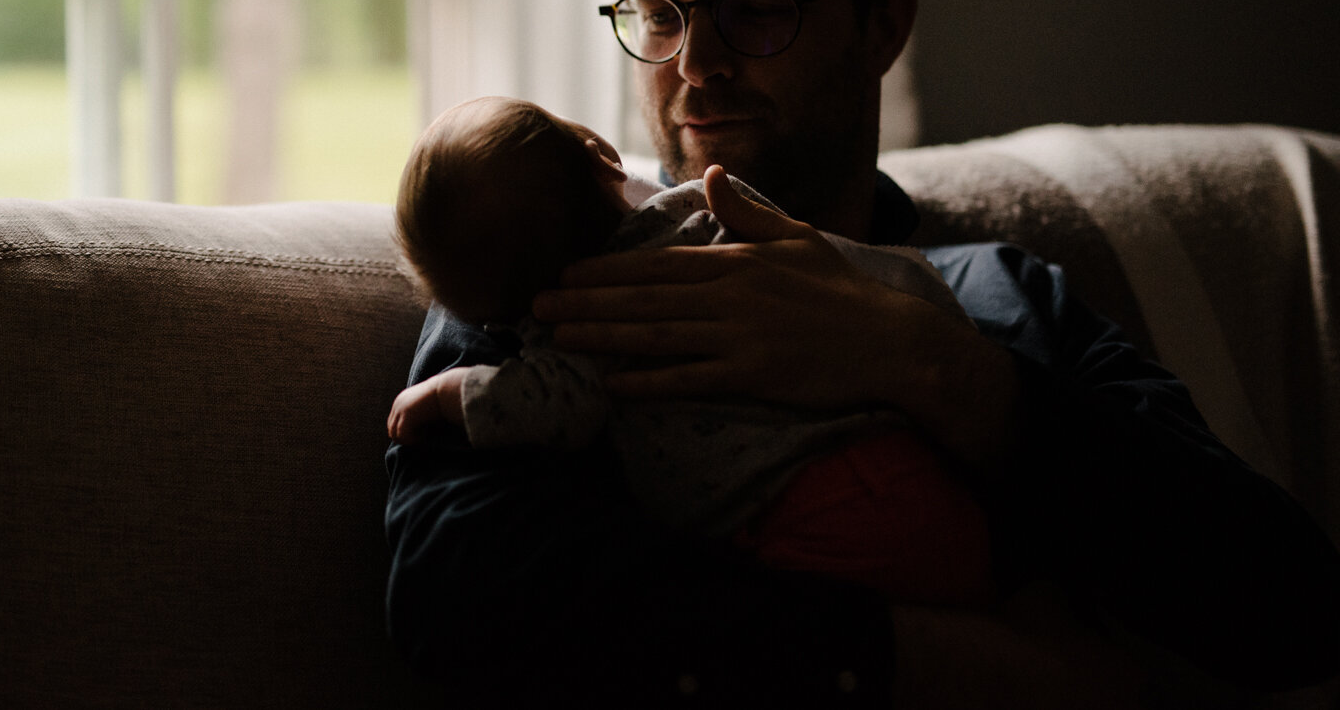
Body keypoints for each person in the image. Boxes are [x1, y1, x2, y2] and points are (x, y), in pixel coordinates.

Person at [383, 0, 1340, 708]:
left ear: (883, 25)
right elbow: (456, 596)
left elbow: (1289, 611)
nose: (697, 64)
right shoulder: (548, 259)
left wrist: (928, 366)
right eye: (660, 13)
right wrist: (966, 668)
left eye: (755, 12)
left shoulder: (995, 302)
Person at [387, 94, 995, 608]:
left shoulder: (574, 330)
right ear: (602, 157)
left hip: (813, 508)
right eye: (658, 14)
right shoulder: (701, 213)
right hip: (899, 469)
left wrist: (452, 393)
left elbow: (553, 407)